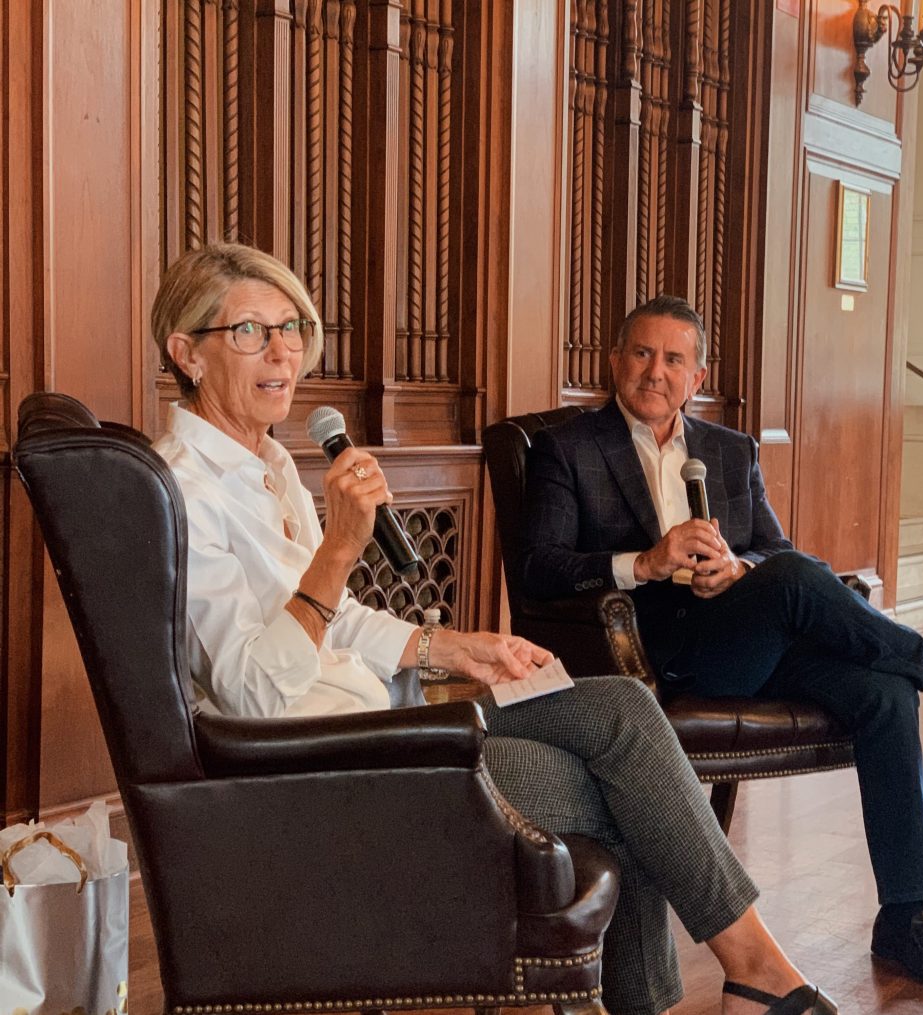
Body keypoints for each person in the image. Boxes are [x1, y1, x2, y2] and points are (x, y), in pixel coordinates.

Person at [149, 243, 840, 1015]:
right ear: (188, 352)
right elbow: (254, 689)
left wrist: (453, 646)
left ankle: (746, 974)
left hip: (393, 706)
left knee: (622, 710)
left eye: (291, 327)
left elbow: (330, 618)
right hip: (347, 756)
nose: (281, 351)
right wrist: (341, 546)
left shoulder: (270, 460)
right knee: (621, 784)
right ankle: (745, 980)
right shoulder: (178, 488)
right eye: (250, 331)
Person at [520, 293, 923, 991]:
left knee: (881, 686)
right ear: (614, 361)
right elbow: (538, 565)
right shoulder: (567, 448)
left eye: (673, 358)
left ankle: (905, 912)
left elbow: (775, 552)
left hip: (752, 632)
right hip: (657, 648)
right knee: (797, 580)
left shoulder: (731, 450)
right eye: (641, 353)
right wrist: (646, 560)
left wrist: (740, 568)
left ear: (697, 376)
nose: (654, 371)